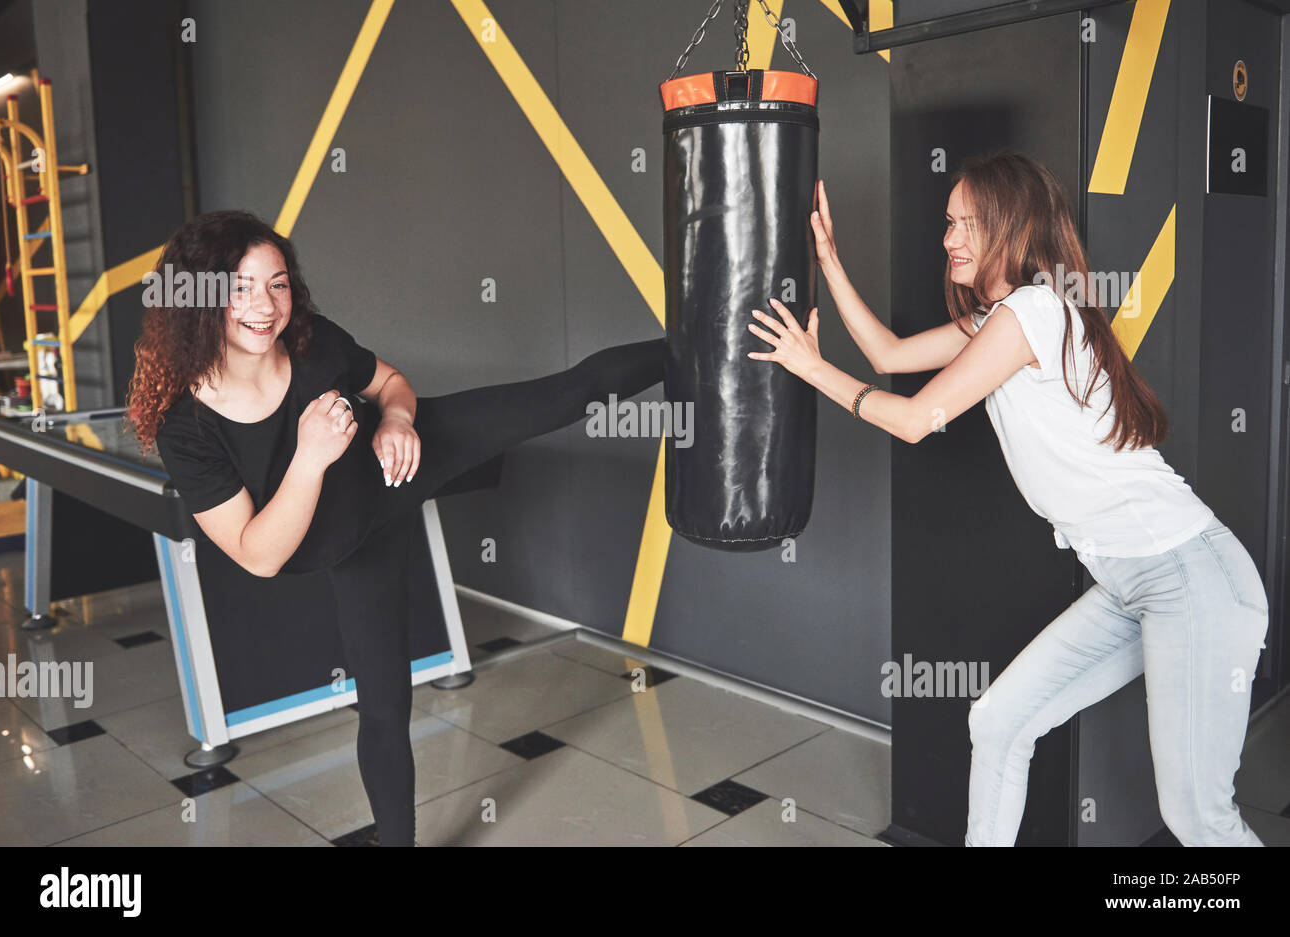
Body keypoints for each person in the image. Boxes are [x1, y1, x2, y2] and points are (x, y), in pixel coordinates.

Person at [747, 152, 1268, 847]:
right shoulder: (1005, 319)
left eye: (967, 223)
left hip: (1188, 575)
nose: (949, 238)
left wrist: (811, 368)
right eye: (948, 222)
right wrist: (831, 261)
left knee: (1198, 818)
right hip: (1127, 582)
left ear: (1010, 228)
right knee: (999, 720)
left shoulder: (1032, 312)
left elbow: (912, 419)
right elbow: (890, 356)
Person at [127, 210, 666, 846]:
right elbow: (257, 555)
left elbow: (390, 382)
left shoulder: (311, 342)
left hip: (402, 462)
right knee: (384, 708)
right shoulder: (186, 427)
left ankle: (713, 342)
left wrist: (398, 422)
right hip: (353, 539)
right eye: (239, 287)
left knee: (565, 393)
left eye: (278, 284)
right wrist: (309, 455)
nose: (264, 305)